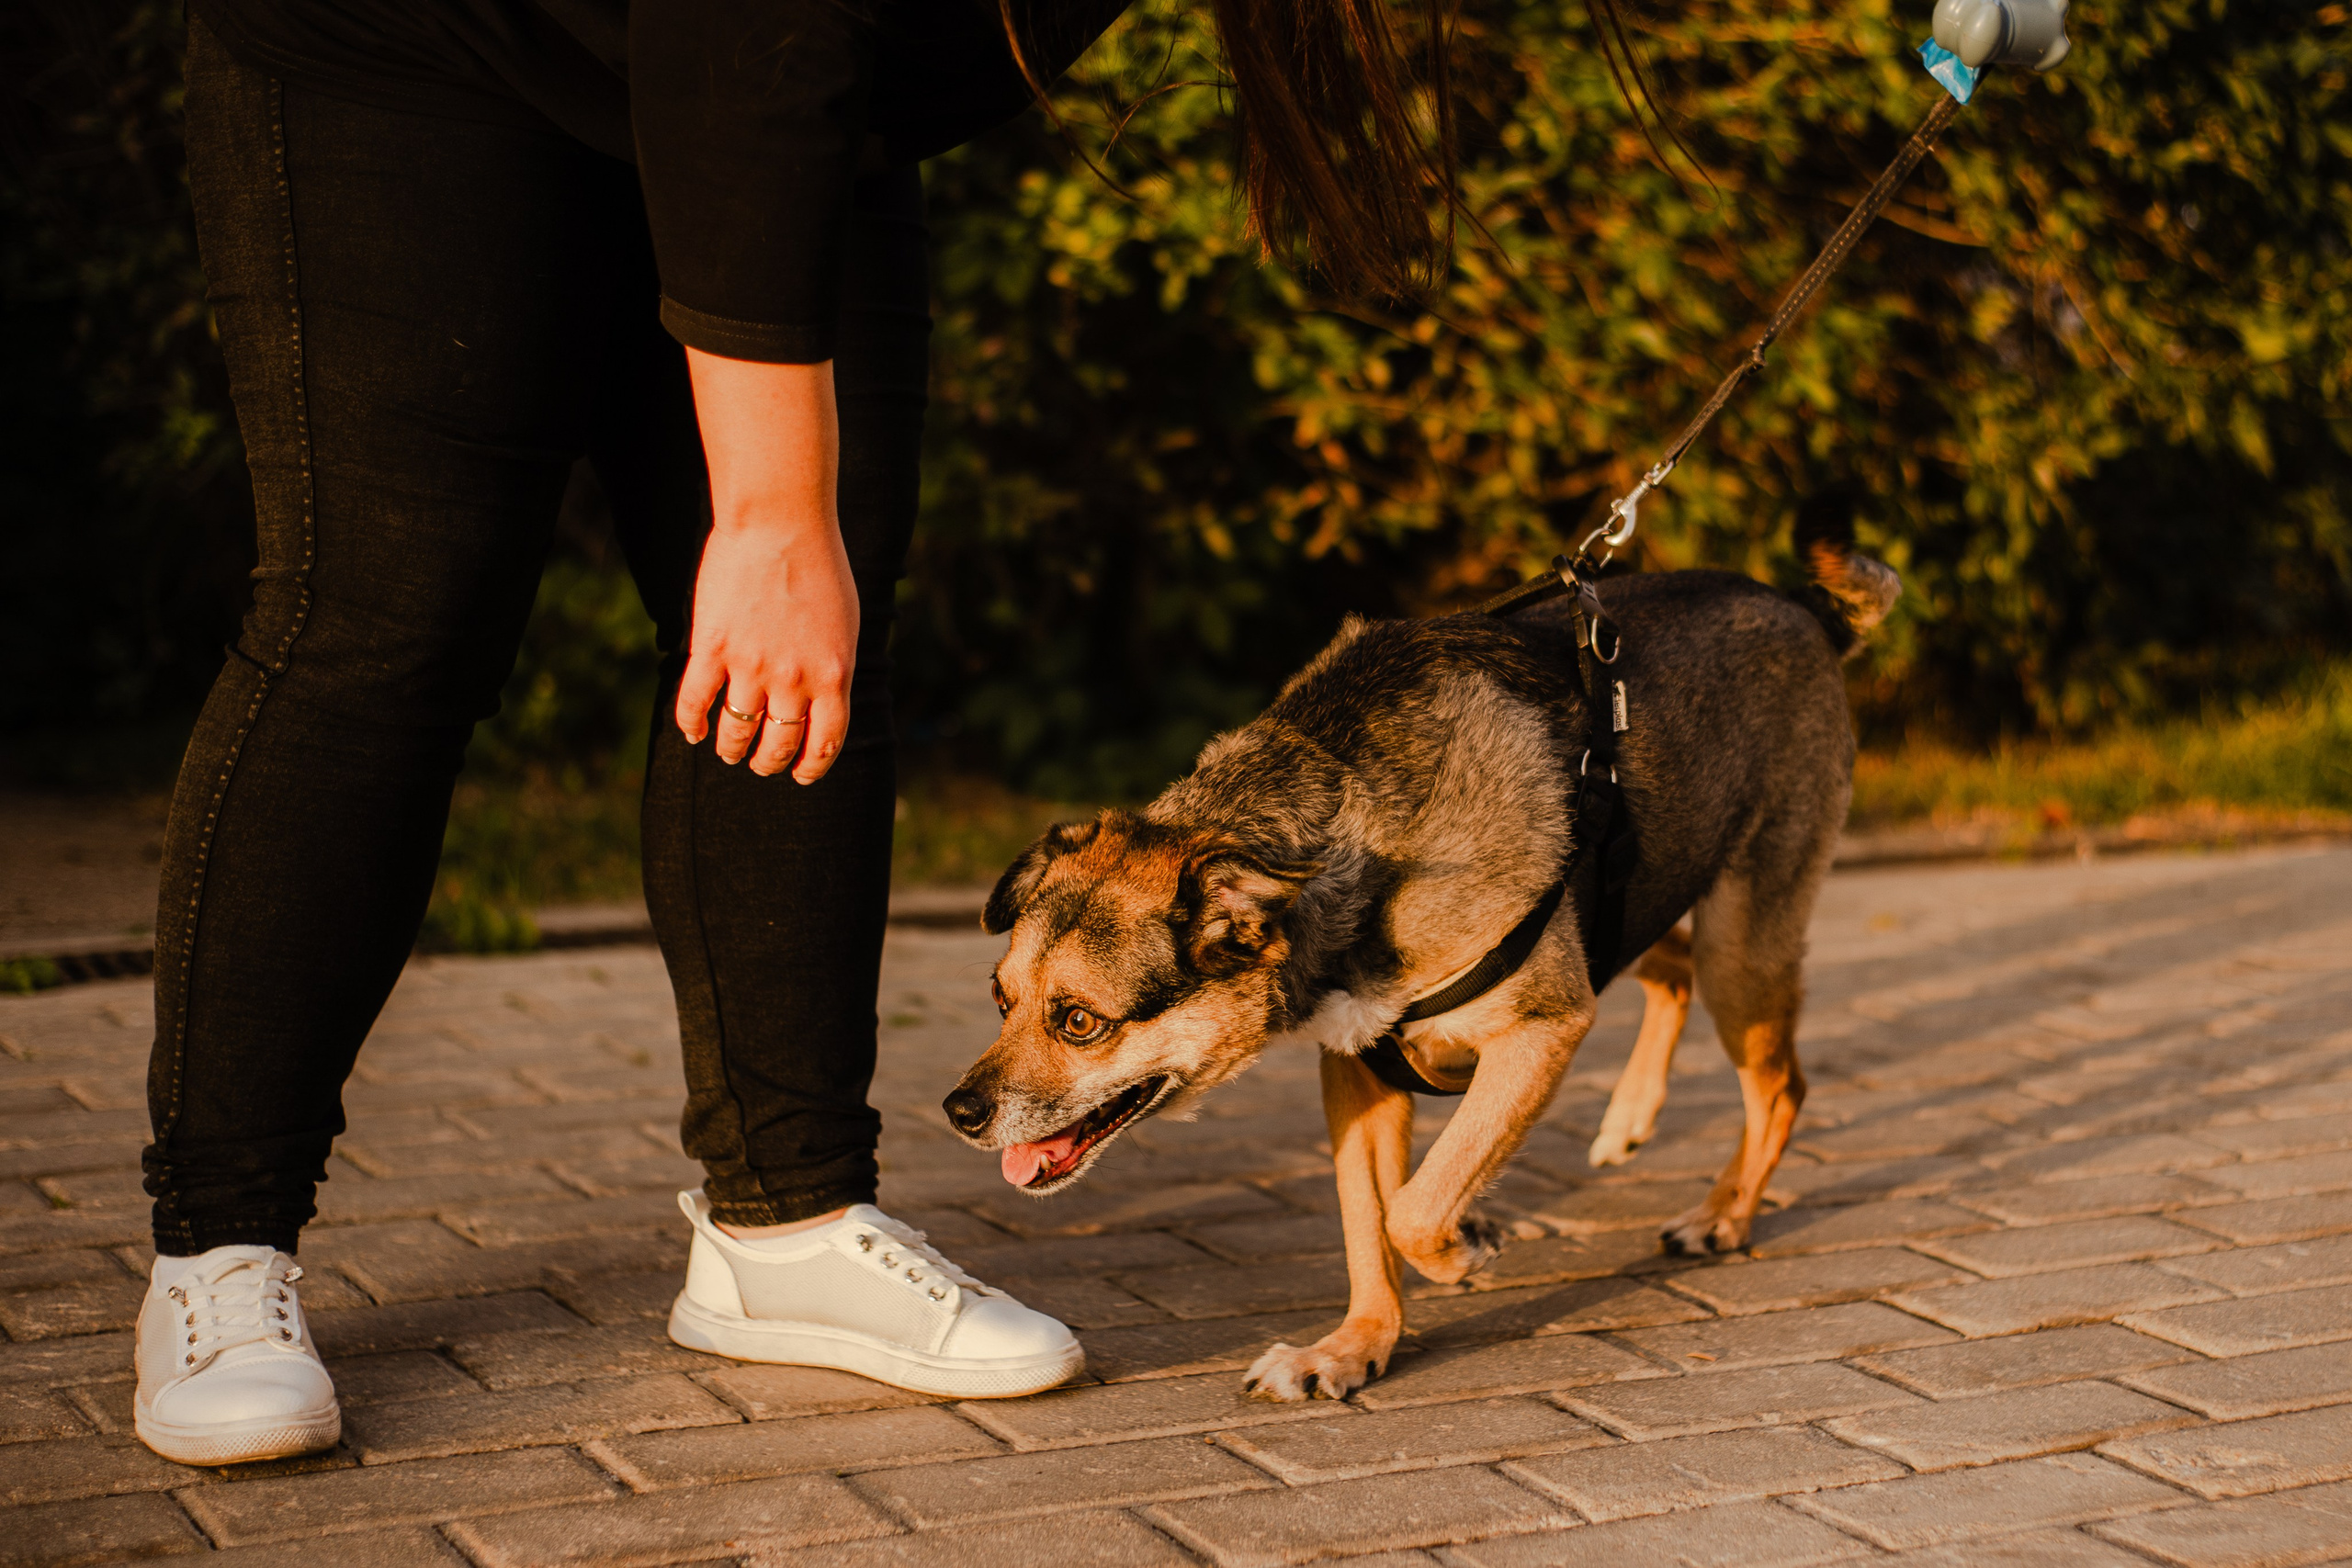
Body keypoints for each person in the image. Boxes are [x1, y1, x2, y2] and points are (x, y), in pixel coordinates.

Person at [134, 0, 1473, 1466]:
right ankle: (221, 1252)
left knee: (813, 651)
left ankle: (788, 1226)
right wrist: (772, 515)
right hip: (429, 58)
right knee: (387, 626)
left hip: (786, 121)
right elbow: (740, 32)